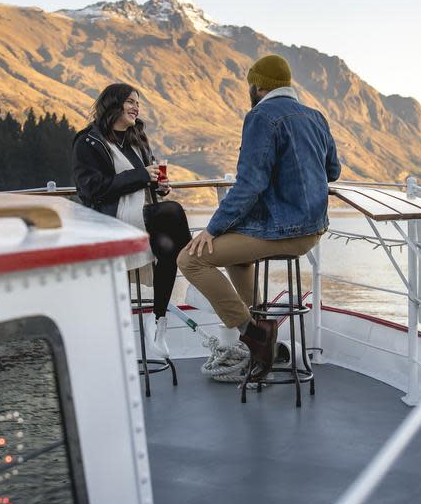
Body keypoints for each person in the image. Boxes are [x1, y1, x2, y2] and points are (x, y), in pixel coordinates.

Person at [178, 54, 340, 381]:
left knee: (190, 259)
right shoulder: (315, 117)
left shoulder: (261, 117)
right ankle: (263, 332)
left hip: (279, 230)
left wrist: (212, 228)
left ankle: (253, 335)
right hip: (313, 230)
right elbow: (333, 171)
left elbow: (250, 183)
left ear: (258, 85)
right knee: (237, 259)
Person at [72, 83, 192, 359]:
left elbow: (148, 177)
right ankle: (196, 276)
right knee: (173, 213)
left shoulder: (138, 138)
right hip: (114, 220)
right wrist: (141, 177)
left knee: (168, 247)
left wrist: (160, 186)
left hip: (145, 215)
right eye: (129, 101)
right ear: (112, 104)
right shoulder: (88, 142)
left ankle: (158, 320)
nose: (135, 107)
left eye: (137, 102)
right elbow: (90, 189)